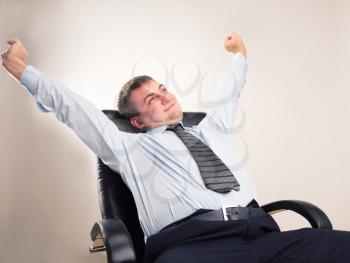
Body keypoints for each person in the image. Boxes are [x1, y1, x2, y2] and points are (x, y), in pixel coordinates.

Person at [2, 33, 350, 263]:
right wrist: (19, 66)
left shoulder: (211, 129)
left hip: (262, 236)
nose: (165, 95)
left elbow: (231, 89)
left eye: (163, 88)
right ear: (137, 121)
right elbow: (73, 109)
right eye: (152, 98)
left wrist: (239, 54)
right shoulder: (125, 146)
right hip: (194, 249)